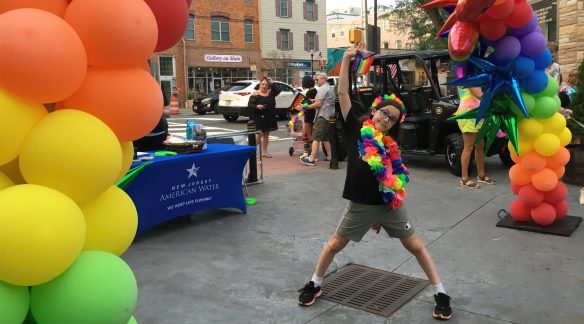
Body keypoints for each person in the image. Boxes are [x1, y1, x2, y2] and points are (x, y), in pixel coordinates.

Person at [297, 43, 453, 321]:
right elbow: (343, 92)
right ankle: (315, 283)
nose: (386, 118)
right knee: (334, 244)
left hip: (388, 205)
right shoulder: (356, 127)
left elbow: (393, 180)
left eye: (392, 118)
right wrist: (346, 60)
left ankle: (441, 293)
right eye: (383, 112)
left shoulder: (392, 146)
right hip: (360, 205)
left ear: (395, 124)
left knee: (416, 246)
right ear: (375, 110)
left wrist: (386, 200)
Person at [455, 87, 495, 188]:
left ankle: (481, 175)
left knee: (480, 145)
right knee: (469, 147)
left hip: (478, 113)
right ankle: (464, 179)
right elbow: (479, 94)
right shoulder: (469, 77)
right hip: (468, 113)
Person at [300, 73, 336, 165]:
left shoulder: (323, 89)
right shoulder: (329, 88)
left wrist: (306, 107)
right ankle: (330, 157)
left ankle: (311, 159)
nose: (316, 81)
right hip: (329, 115)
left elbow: (319, 104)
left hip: (322, 115)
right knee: (325, 138)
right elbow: (322, 101)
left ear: (323, 79)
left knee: (316, 137)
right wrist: (312, 101)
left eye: (317, 79)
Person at [248, 77, 280, 158]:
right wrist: (257, 106)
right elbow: (250, 105)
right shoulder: (256, 93)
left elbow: (278, 90)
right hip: (258, 117)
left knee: (266, 135)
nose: (264, 86)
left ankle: (264, 152)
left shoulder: (271, 93)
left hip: (269, 116)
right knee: (258, 136)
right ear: (260, 84)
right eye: (262, 84)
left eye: (266, 84)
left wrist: (272, 82)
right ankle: (251, 152)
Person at [133, 87, 170, 152]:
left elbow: (168, 113)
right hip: (138, 134)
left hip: (158, 133)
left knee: (159, 159)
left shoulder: (158, 88)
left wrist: (155, 110)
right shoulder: (133, 89)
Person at [301, 75, 318, 157]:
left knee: (307, 135)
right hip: (314, 114)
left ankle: (311, 154)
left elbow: (306, 105)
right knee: (307, 134)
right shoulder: (316, 91)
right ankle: (307, 152)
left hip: (308, 114)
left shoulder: (309, 92)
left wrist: (300, 108)